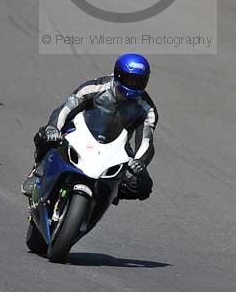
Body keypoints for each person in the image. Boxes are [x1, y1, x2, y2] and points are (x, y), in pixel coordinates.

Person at [23, 53, 157, 201]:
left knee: (142, 185)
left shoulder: (147, 108)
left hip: (116, 146)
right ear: (118, 74)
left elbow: (146, 140)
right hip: (80, 132)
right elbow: (66, 108)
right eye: (129, 79)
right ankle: (38, 173)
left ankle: (106, 193)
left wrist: (139, 161)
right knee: (46, 136)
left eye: (138, 81)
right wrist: (53, 127)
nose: (133, 84)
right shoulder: (96, 87)